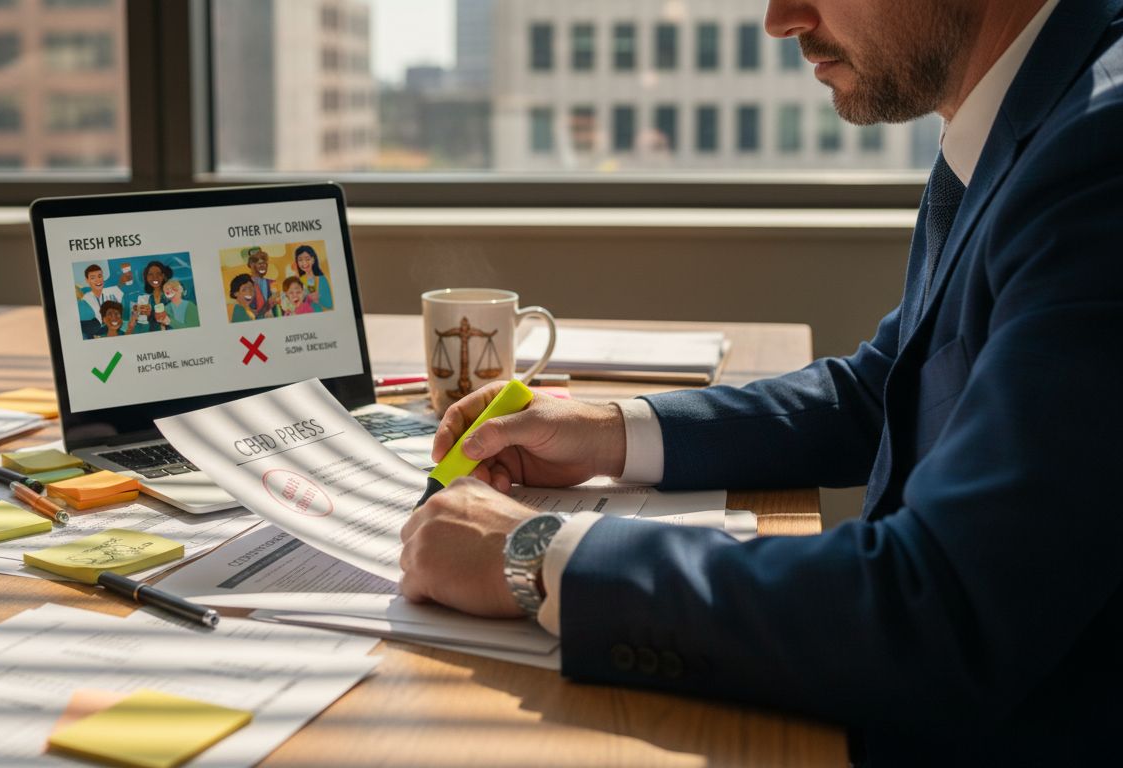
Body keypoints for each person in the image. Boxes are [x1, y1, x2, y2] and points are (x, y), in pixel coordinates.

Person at [398, 0, 1123, 763]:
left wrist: (539, 553)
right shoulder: (1021, 115)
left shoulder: (1099, 152)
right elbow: (885, 390)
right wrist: (610, 431)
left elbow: (936, 613)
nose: (780, 19)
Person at [78, 264, 123, 339]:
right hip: (96, 328)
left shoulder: (112, 292)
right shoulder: (86, 298)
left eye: (100, 276)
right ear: (87, 280)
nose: (98, 280)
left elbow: (120, 286)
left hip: (109, 326)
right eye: (93, 278)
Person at [288, 244, 332, 312]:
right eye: (300, 260)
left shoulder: (321, 279)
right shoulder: (298, 280)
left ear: (313, 260)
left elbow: (329, 304)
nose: (304, 263)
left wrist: (318, 300)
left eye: (307, 259)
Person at [241, 247, 282, 319]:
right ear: (251, 264)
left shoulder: (272, 283)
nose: (263, 266)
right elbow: (249, 311)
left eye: (264, 263)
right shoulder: (245, 285)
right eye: (259, 263)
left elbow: (278, 308)